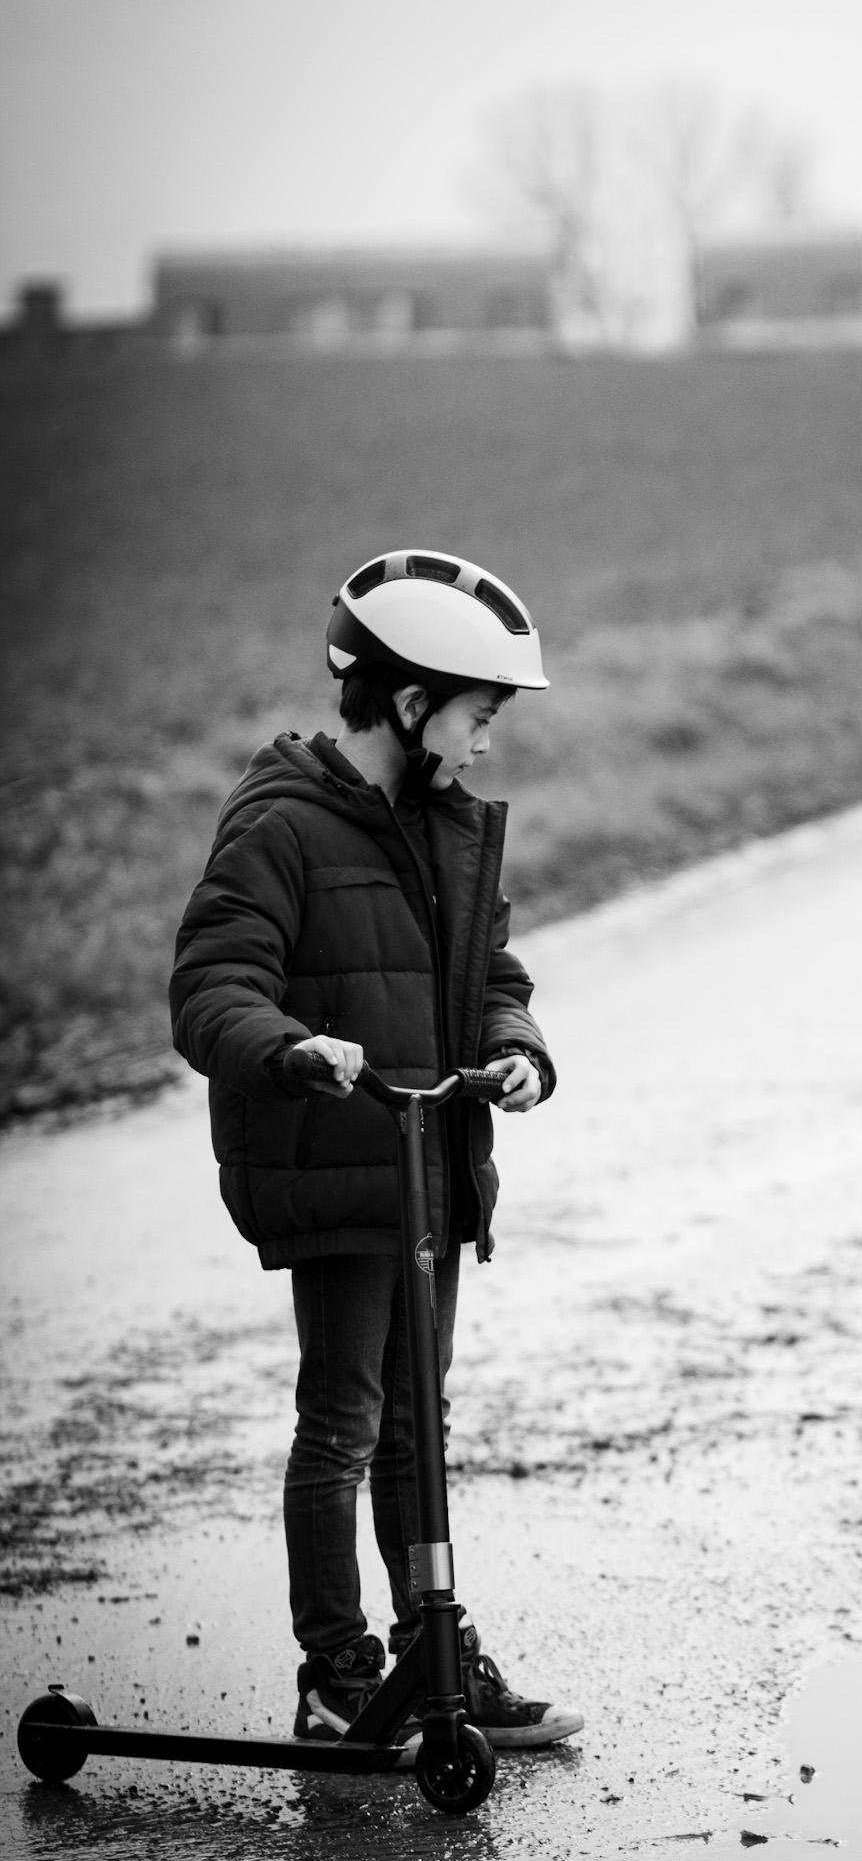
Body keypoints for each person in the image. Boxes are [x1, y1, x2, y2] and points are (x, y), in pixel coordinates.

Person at [169, 548, 582, 1750]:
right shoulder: (281, 824)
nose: (486, 741)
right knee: (344, 1421)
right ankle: (337, 1674)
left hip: (431, 1159)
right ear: (409, 702)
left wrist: (515, 1048)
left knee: (418, 1421)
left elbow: (491, 975)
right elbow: (210, 987)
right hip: (339, 1160)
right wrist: (291, 1046)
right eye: (478, 714)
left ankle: (433, 1656)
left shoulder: (446, 826)